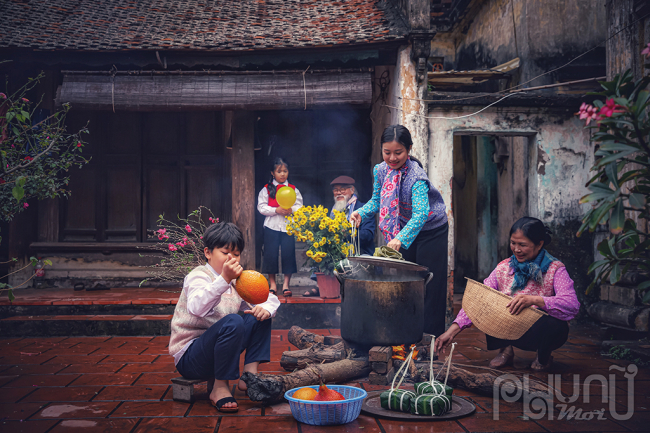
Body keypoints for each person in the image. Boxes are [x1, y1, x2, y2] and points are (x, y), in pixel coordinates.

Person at [435, 217, 580, 371]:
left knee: (556, 325)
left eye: (522, 245)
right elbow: (479, 300)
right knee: (488, 303)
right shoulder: (503, 267)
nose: (516, 249)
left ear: (539, 244)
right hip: (509, 325)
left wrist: (536, 300)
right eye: (513, 243)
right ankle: (505, 350)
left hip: (538, 328)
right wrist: (451, 332)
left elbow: (572, 305)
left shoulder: (555, 268)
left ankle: (544, 356)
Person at [169, 222, 280, 413]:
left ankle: (249, 377)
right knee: (234, 320)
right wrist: (224, 280)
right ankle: (220, 387)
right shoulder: (199, 276)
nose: (232, 258)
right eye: (225, 252)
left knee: (259, 316)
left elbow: (268, 298)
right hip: (191, 357)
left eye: (236, 254)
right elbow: (197, 308)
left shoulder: (239, 281)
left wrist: (266, 309)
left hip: (219, 351)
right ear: (208, 252)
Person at [350, 125, 449, 336]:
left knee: (429, 282)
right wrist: (362, 212)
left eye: (398, 152)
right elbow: (377, 199)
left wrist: (400, 238)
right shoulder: (381, 170)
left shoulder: (417, 177)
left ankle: (429, 340)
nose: (392, 158)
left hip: (432, 230)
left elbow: (421, 214)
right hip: (404, 228)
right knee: (403, 280)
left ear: (409, 149)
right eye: (387, 152)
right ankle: (406, 332)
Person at [257, 157, 303, 297]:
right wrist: (276, 210)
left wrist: (291, 210)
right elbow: (261, 207)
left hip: (288, 227)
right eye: (279, 171)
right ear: (272, 173)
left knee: (288, 254)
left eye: (285, 171)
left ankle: (286, 285)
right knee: (271, 254)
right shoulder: (266, 189)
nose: (282, 174)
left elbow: (300, 206)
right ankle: (272, 285)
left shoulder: (293, 189)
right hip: (271, 226)